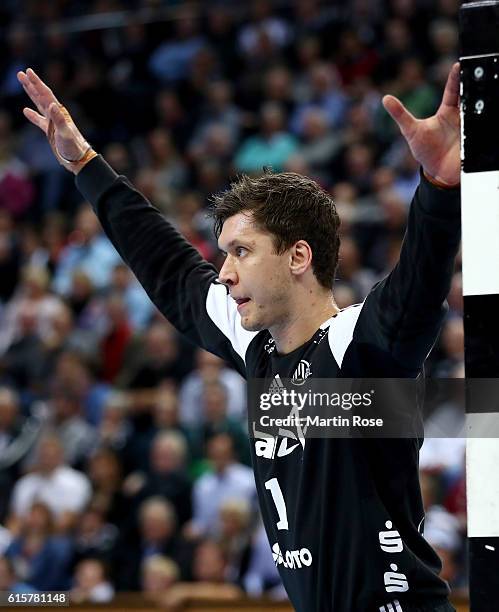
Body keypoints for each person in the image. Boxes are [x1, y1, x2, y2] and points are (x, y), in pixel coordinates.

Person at [17, 65, 461, 611]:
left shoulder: (358, 347)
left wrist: (438, 190)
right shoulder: (258, 346)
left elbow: (416, 287)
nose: (224, 272)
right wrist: (85, 164)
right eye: (224, 253)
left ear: (299, 256)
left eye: (241, 252)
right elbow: (168, 268)